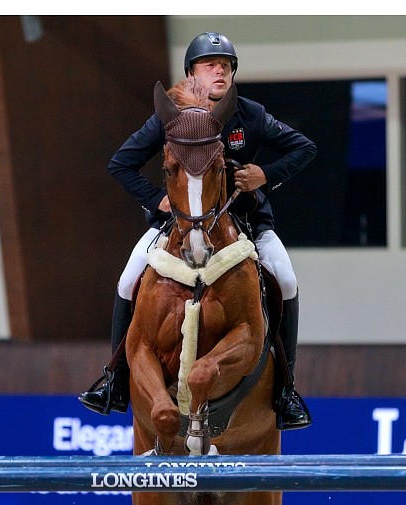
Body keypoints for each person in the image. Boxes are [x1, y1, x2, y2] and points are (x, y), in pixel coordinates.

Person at [79, 32, 317, 429]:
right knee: (125, 281)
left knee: (287, 281)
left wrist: (266, 175)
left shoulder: (249, 114)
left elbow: (304, 147)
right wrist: (158, 199)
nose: (220, 69)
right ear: (192, 74)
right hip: (177, 228)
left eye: (225, 64)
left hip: (245, 226)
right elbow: (120, 163)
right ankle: (115, 381)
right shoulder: (170, 119)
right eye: (210, 64)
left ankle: (286, 389)